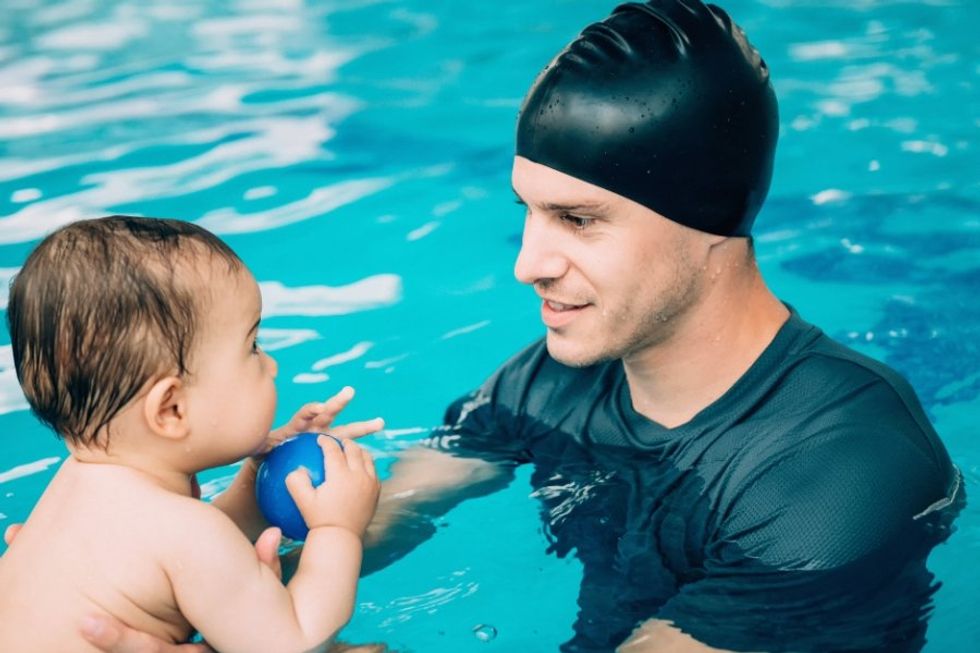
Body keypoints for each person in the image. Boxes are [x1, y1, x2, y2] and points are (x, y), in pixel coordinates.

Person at [37, 1, 962, 651]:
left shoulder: (839, 476)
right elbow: (383, 515)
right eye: (529, 212)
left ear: (710, 220)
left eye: (580, 219)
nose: (527, 263)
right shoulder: (550, 376)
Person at [0, 216, 384, 652]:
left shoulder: (79, 487)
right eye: (253, 346)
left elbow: (190, 561)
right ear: (172, 409)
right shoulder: (188, 533)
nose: (271, 364)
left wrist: (254, 481)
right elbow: (294, 642)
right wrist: (338, 530)